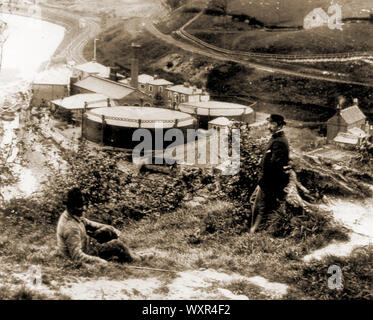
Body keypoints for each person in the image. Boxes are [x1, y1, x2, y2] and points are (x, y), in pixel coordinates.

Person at [57, 187, 140, 265]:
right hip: (84, 253)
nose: (84, 208)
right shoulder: (70, 227)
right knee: (116, 245)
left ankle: (130, 255)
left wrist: (112, 229)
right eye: (80, 206)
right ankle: (137, 259)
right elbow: (77, 257)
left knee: (108, 230)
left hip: (87, 247)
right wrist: (99, 260)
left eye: (83, 204)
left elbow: (91, 224)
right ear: (71, 207)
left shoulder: (72, 215)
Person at [250, 114, 290, 234]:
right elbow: (269, 158)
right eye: (268, 123)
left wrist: (263, 182)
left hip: (270, 180)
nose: (269, 126)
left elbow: (275, 166)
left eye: (272, 124)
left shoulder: (280, 142)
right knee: (254, 200)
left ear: (280, 126)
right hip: (266, 179)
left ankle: (254, 232)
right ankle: (257, 229)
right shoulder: (276, 138)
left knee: (260, 207)